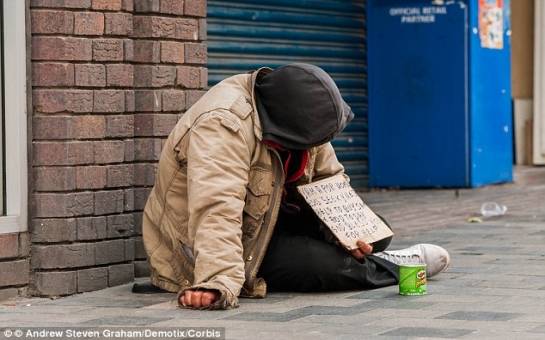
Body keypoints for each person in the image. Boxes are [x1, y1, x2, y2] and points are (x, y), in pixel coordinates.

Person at [142, 63, 450, 310]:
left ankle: (373, 255)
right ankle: (393, 267)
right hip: (223, 242)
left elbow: (328, 181)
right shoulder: (223, 124)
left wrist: (346, 233)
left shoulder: (298, 116)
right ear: (285, 128)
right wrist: (216, 281)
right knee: (317, 265)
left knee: (378, 232)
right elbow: (216, 210)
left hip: (271, 214)